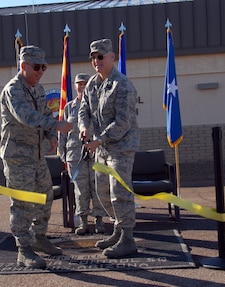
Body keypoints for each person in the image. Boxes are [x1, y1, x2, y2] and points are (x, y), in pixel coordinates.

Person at [0, 45, 74, 269]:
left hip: (37, 155)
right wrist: (57, 126)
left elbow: (45, 113)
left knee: (45, 197)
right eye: (36, 67)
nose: (41, 71)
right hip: (18, 156)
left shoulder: (38, 90)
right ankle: (24, 249)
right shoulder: (13, 90)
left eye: (44, 67)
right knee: (23, 203)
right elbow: (27, 116)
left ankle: (40, 237)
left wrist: (51, 135)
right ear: (23, 66)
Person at [78, 39, 140, 259]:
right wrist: (84, 126)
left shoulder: (122, 85)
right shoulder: (93, 84)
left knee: (119, 193)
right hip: (102, 148)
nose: (96, 61)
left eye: (101, 56)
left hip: (120, 148)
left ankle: (128, 240)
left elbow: (123, 122)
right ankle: (118, 229)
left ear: (112, 57)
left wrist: (99, 140)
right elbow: (83, 109)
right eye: (93, 57)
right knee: (103, 192)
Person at [59, 73, 107, 235]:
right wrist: (63, 153)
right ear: (74, 86)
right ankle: (83, 222)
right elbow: (63, 133)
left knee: (97, 187)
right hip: (75, 154)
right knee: (80, 189)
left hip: (95, 154)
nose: (82, 86)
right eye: (79, 84)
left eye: (85, 84)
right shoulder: (69, 108)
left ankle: (99, 220)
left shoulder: (97, 105)